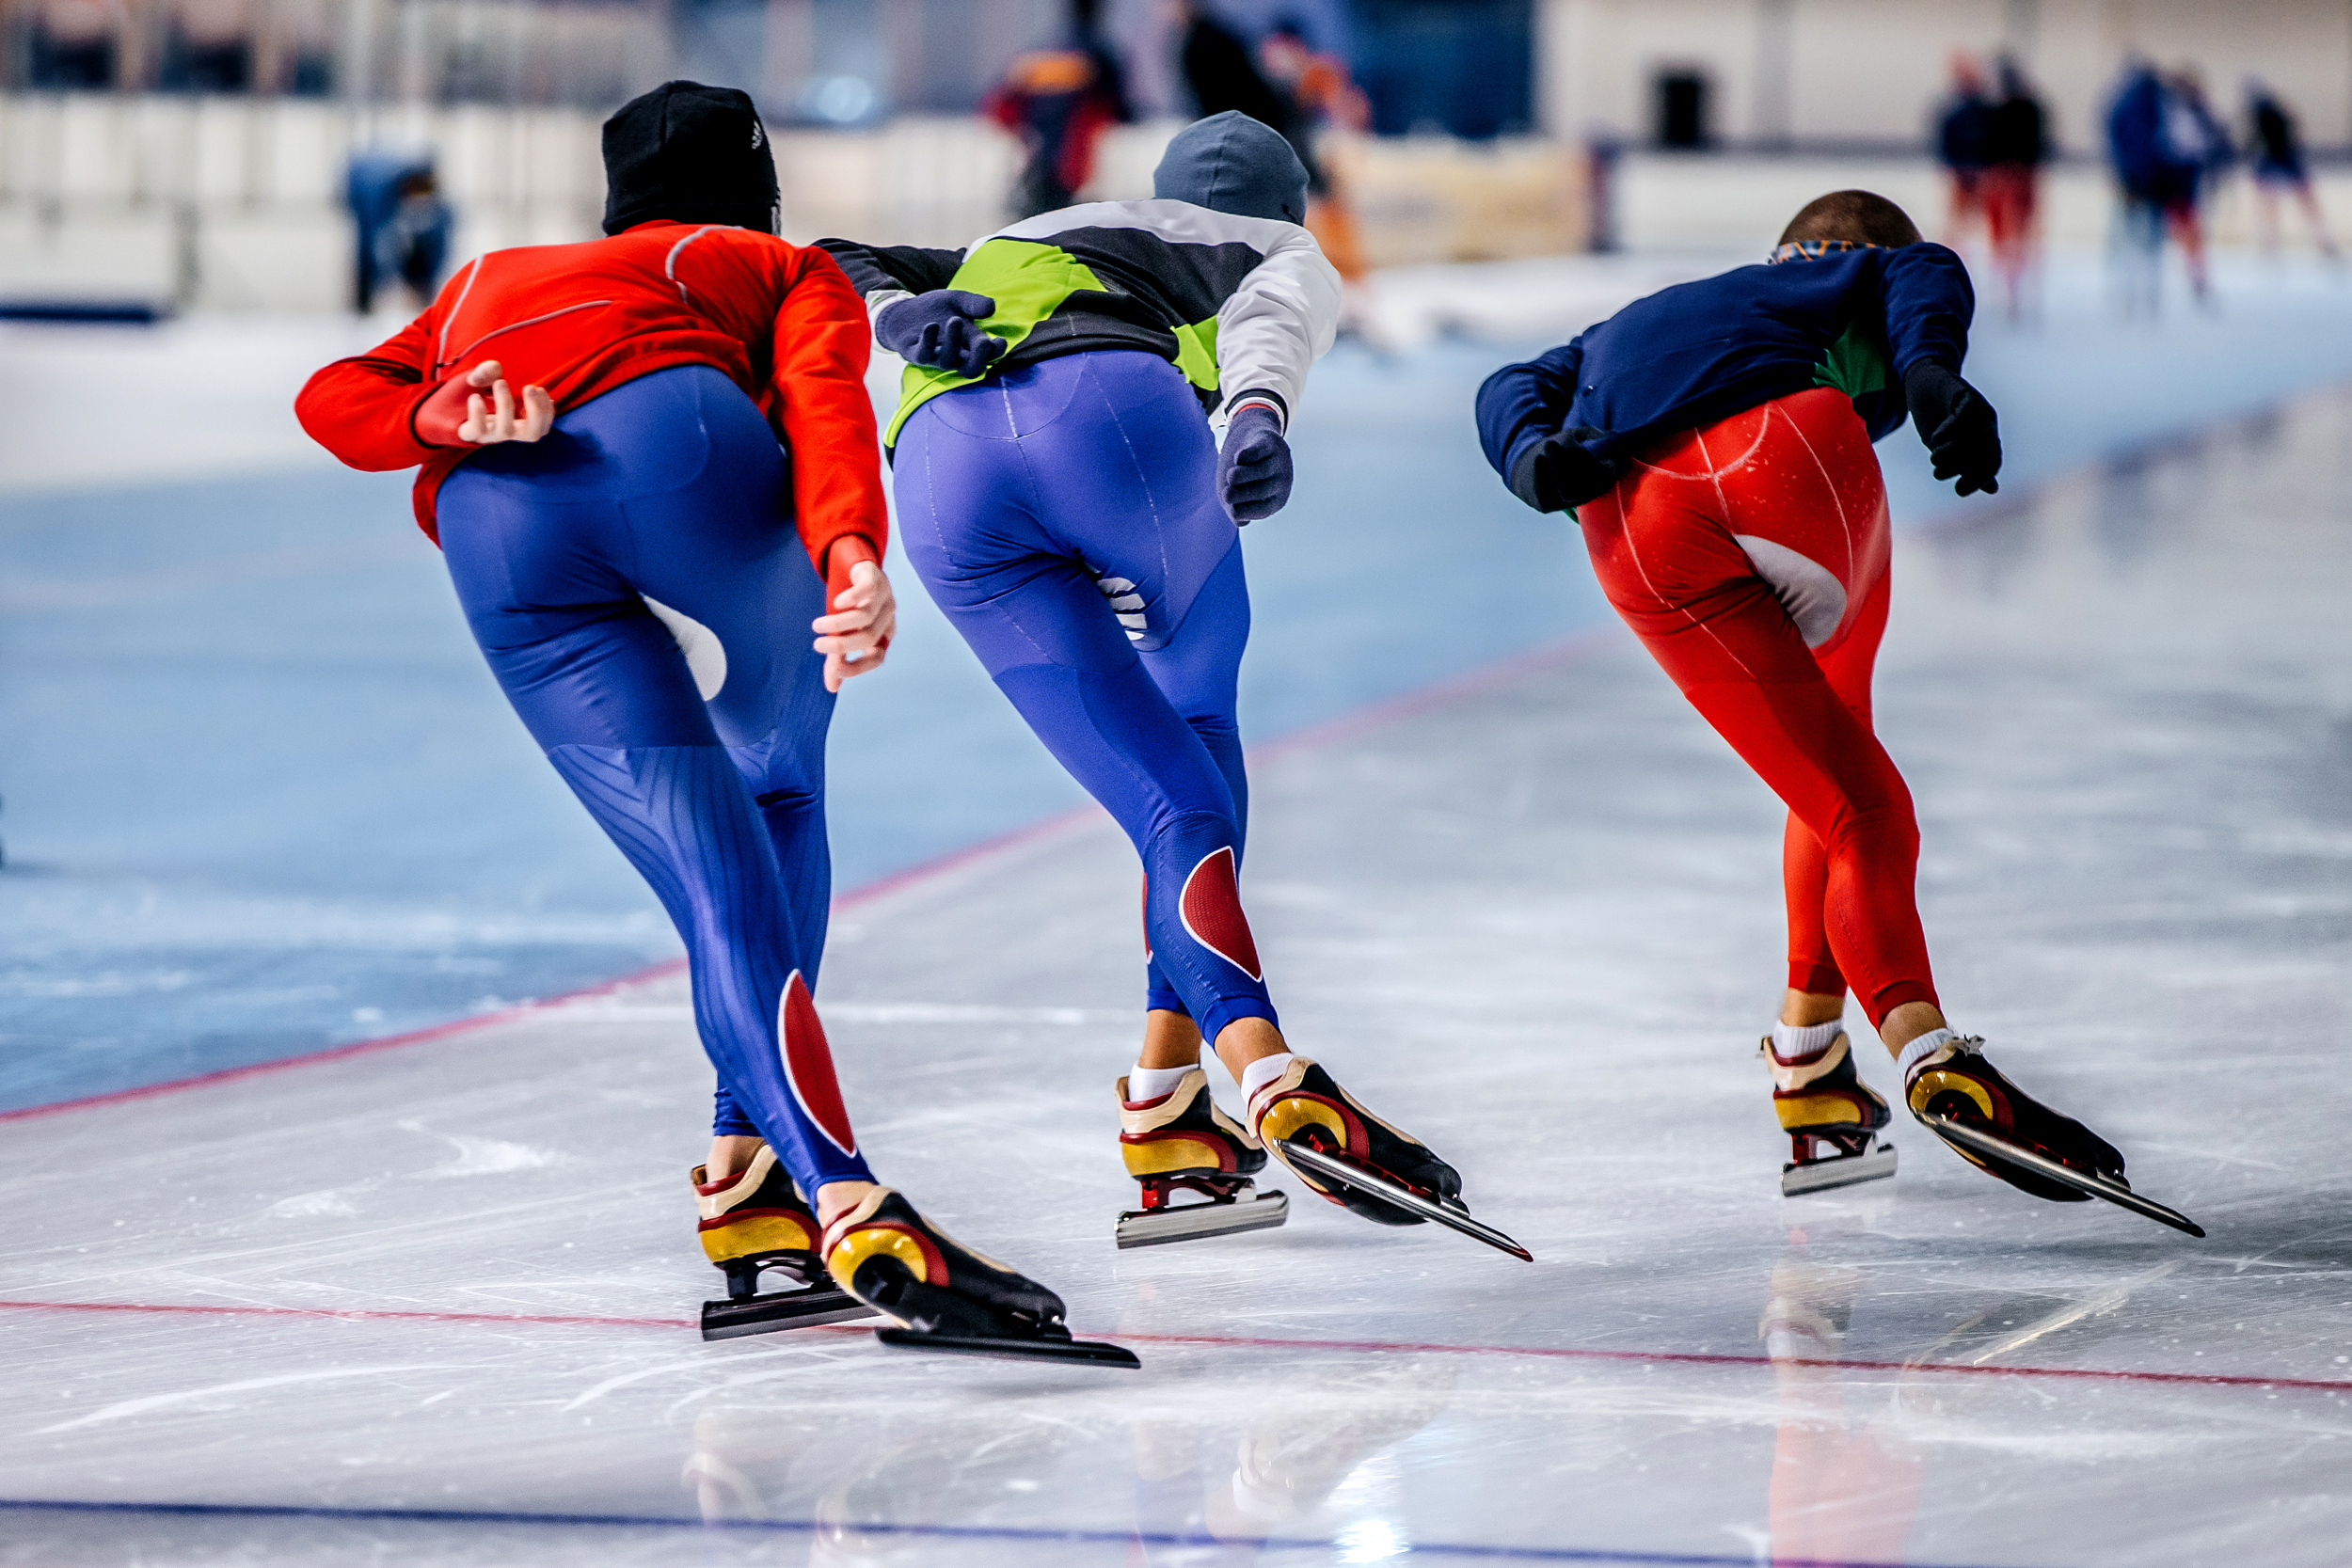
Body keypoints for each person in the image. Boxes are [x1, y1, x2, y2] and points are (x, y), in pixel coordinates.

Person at [294, 81, 1107, 1361]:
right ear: (760, 183)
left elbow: (331, 393)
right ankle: (835, 1192)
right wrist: (850, 553)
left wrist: (427, 417)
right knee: (776, 797)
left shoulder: (485, 278)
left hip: (495, 529)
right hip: (678, 452)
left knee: (710, 877)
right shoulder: (768, 259)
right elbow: (825, 395)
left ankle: (756, 1181)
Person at [815, 112, 1480, 1248]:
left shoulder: (1028, 229)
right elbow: (1277, 314)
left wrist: (895, 317)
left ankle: (1167, 1104)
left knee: (1161, 791)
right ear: (1289, 200)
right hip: (1111, 431)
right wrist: (1259, 415)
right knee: (1194, 757)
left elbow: (824, 259)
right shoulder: (1268, 239)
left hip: (937, 471)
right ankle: (1259, 1067)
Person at [1475, 191, 2136, 1210]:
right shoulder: (1852, 270)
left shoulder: (1628, 320)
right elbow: (1926, 273)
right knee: (1861, 795)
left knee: (1825, 780)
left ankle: (1808, 1061)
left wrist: (1527, 456)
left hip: (1625, 522)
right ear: (1835, 248)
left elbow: (1508, 381)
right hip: (1781, 455)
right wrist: (1928, 374)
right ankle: (1925, 1050)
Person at [983, 0, 1130, 218]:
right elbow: (1121, 111)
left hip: (1034, 162)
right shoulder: (1100, 57)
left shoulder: (1041, 53)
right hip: (1075, 166)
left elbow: (1001, 108)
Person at [1259, 20, 1373, 295]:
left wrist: (1344, 139)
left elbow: (1344, 110)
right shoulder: (1264, 78)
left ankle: (1354, 278)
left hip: (1304, 158)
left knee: (1329, 214)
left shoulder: (1316, 72)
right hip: (1280, 159)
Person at [1979, 56, 2048, 319]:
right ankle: (2014, 287)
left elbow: (1986, 146)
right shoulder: (2031, 109)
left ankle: (2010, 289)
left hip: (2005, 177)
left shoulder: (1994, 110)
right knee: (2018, 235)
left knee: (2006, 236)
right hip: (2019, 175)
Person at [2247, 79, 2338, 260]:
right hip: (2279, 158)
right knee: (2275, 202)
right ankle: (2275, 243)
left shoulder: (2268, 113)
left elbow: (2262, 139)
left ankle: (2276, 243)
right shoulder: (2273, 112)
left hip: (2281, 158)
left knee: (2283, 202)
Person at [1933, 55, 1992, 251]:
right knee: (1958, 216)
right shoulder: (1955, 109)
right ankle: (1955, 248)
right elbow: (1946, 138)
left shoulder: (1981, 108)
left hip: (1977, 169)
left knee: (1980, 215)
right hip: (1962, 169)